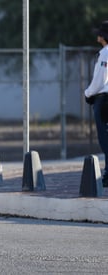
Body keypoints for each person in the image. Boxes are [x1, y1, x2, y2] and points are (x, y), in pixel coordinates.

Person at [84, 20, 108, 187]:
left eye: (100, 32)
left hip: (104, 99)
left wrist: (88, 94)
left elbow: (100, 79)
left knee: (105, 138)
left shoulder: (105, 53)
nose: (97, 35)